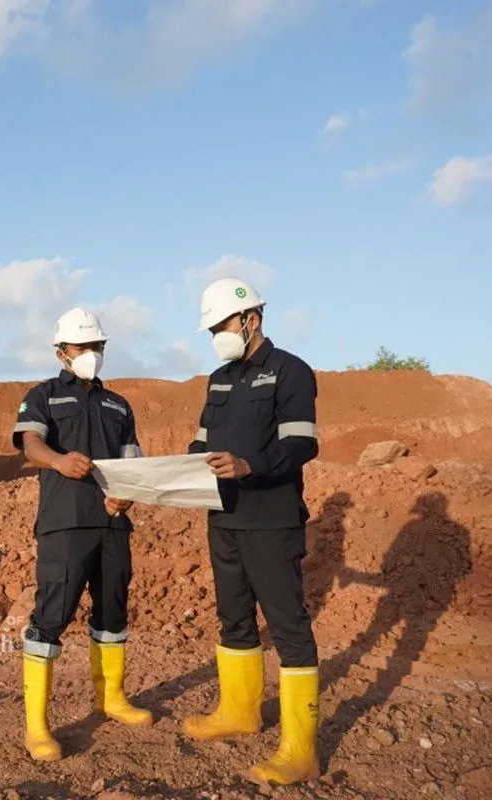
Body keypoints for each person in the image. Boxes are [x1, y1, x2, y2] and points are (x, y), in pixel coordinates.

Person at [181, 277, 322, 786]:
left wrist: (249, 465)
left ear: (251, 319)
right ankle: (240, 712)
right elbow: (200, 444)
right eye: (212, 330)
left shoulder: (290, 371)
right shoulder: (218, 380)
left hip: (271, 519)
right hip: (223, 517)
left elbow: (302, 443)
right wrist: (175, 472)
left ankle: (302, 750)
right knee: (234, 619)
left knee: (288, 628)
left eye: (222, 326)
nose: (217, 336)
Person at [11, 307, 151, 761]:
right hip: (65, 524)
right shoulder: (43, 396)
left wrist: (128, 495)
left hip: (113, 524)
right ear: (61, 352)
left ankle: (111, 699)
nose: (92, 353)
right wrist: (57, 461)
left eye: (97, 346)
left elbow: (132, 459)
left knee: (113, 613)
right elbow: (30, 443)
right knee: (51, 616)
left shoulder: (119, 405)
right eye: (83, 346)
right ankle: (37, 726)